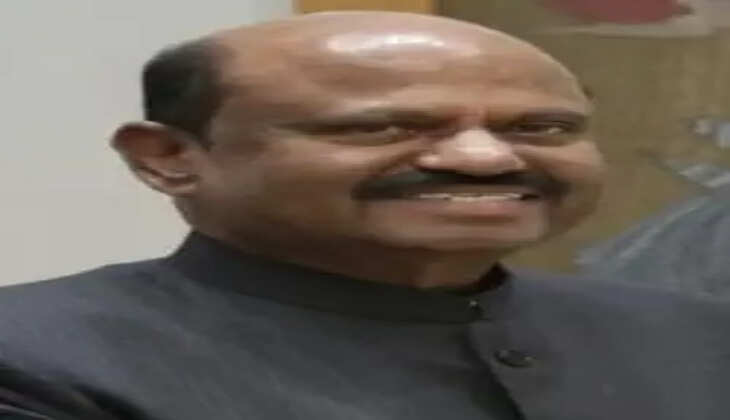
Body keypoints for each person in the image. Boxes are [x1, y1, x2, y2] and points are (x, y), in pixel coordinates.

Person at [0, 11, 727, 420]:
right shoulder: (33, 359)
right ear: (168, 157)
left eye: (542, 128)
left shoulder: (696, 335)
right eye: (382, 127)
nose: (484, 158)